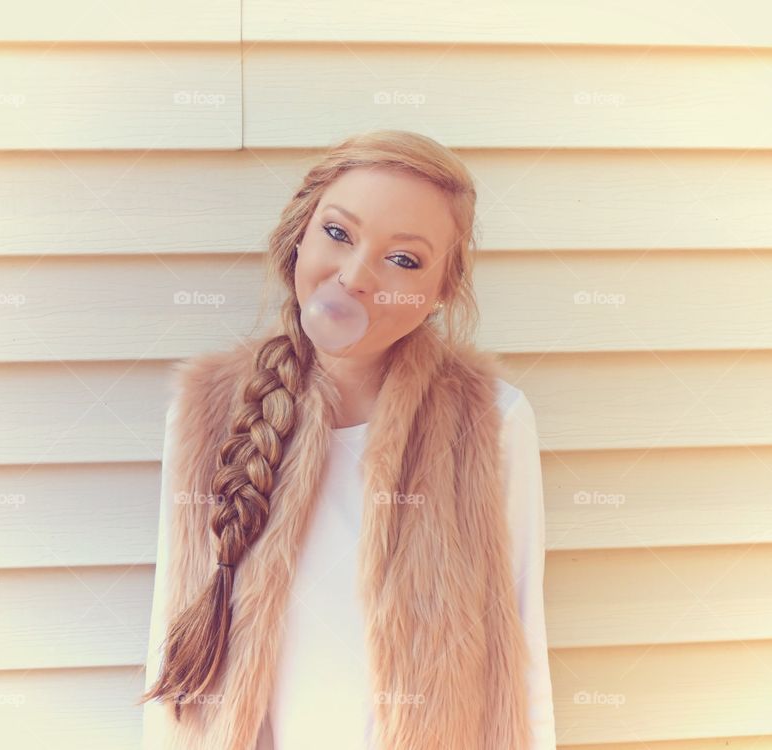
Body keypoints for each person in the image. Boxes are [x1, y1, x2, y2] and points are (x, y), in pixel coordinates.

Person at [138, 129, 556, 749]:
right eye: (338, 232)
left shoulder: (493, 421)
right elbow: (171, 639)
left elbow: (522, 644)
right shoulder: (205, 412)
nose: (357, 277)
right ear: (299, 235)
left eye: (404, 260)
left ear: (442, 290)